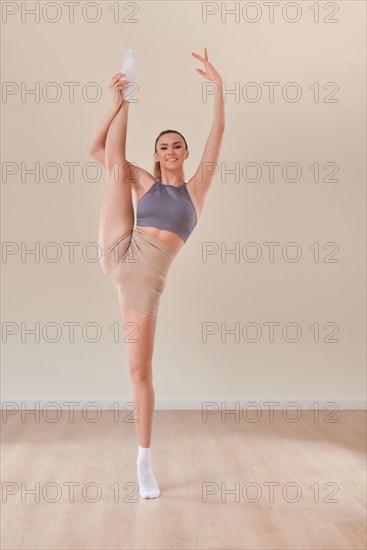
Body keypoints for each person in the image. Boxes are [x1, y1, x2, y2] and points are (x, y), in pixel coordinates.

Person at [87, 48, 225, 499]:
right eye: (162, 146)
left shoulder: (196, 190)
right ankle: (129, 93)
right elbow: (97, 149)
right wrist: (114, 104)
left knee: (139, 370)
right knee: (113, 167)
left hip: (142, 281)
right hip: (120, 247)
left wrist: (218, 88)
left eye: (176, 145)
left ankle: (143, 460)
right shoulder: (143, 181)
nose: (170, 151)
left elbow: (217, 132)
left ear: (185, 153)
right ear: (157, 153)